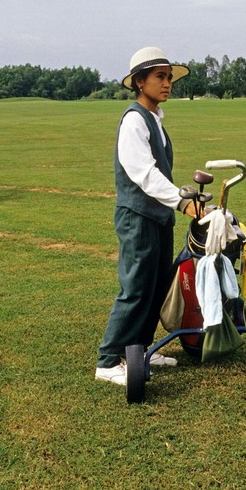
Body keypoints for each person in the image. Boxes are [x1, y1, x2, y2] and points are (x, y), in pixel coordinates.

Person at [95, 47, 198, 386]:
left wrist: (181, 194)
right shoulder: (134, 120)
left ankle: (138, 351)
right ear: (140, 82)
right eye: (160, 77)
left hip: (157, 216)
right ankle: (109, 361)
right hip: (137, 217)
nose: (168, 83)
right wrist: (182, 203)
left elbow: (159, 174)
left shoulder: (154, 119)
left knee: (155, 287)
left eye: (169, 77)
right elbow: (143, 173)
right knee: (136, 287)